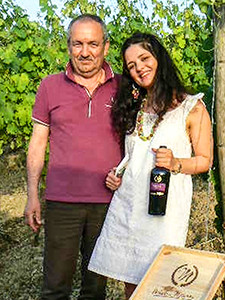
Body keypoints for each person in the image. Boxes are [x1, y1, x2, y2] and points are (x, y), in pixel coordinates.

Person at [88, 32, 213, 299]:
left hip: (163, 210)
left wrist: (176, 162)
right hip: (129, 205)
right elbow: (134, 156)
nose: (138, 68)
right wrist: (117, 175)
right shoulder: (135, 106)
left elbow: (205, 160)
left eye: (144, 59)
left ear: (159, 58)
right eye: (131, 66)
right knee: (131, 285)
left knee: (158, 283)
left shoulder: (191, 107)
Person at [24, 14, 122, 300]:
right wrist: (32, 194)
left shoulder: (124, 87)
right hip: (61, 203)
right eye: (78, 43)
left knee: (95, 289)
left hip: (108, 203)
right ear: (68, 46)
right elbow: (37, 143)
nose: (85, 51)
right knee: (55, 287)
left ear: (105, 46)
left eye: (93, 43)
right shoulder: (49, 86)